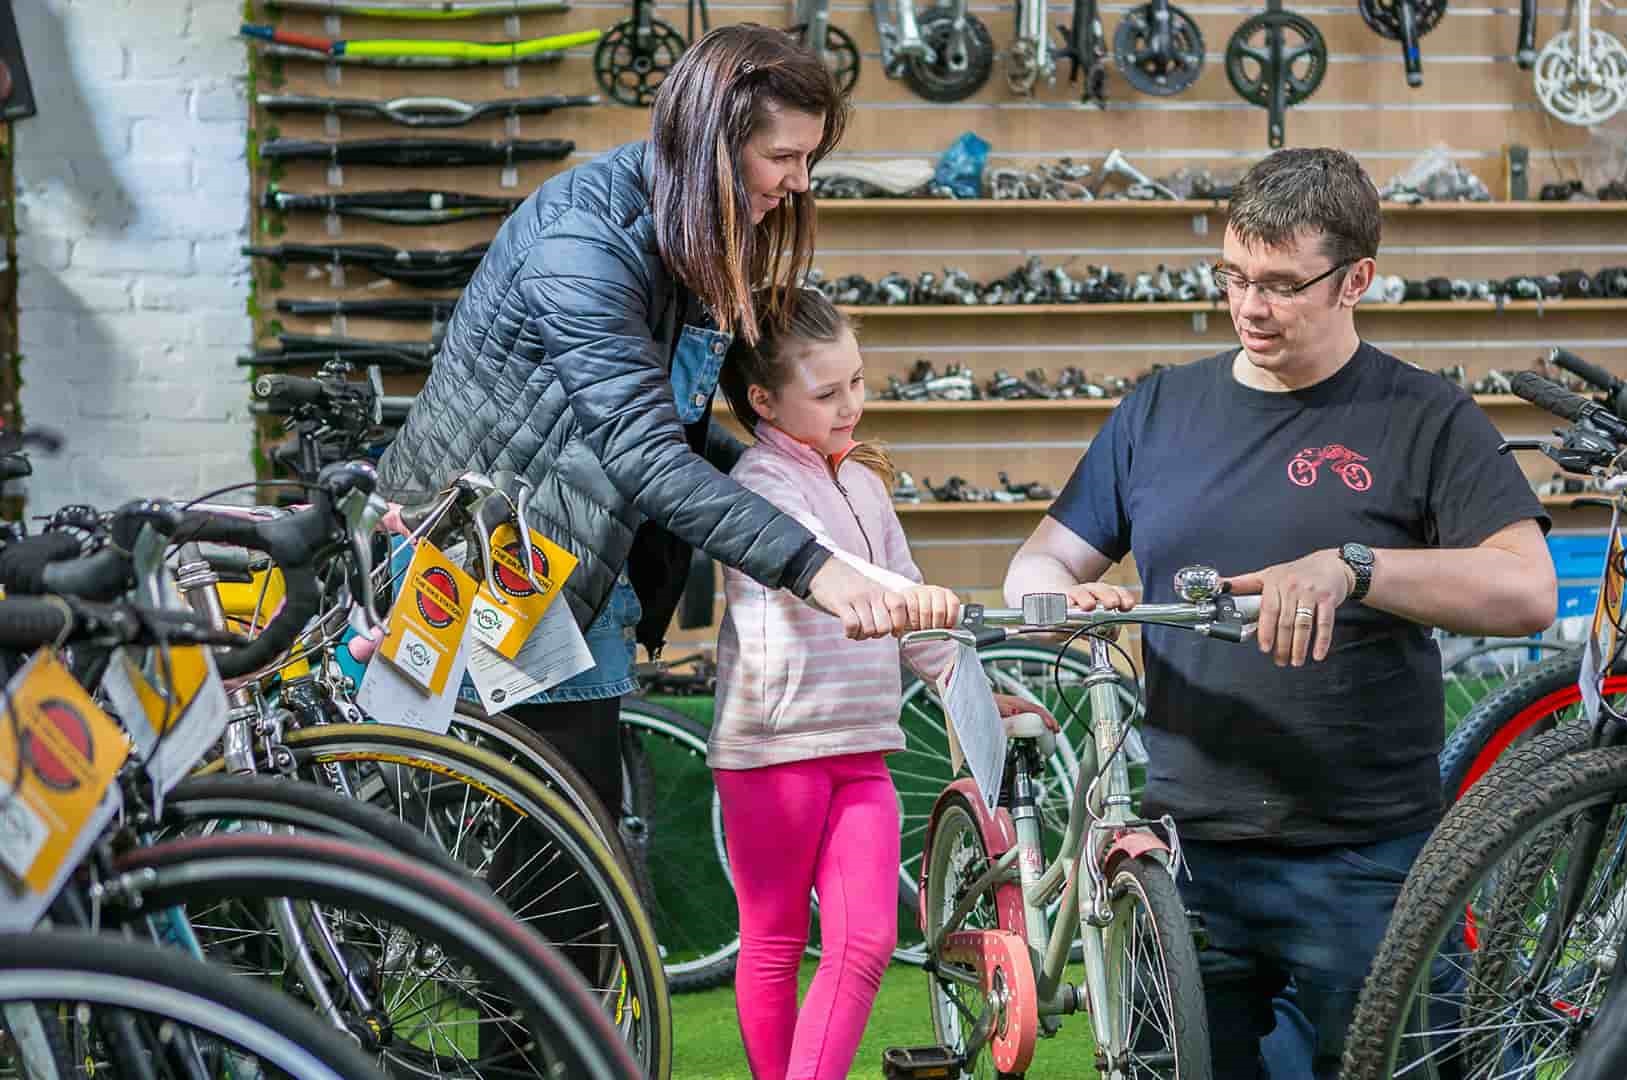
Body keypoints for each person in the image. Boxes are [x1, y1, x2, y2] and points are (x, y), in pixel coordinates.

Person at [1000, 147, 1558, 1079]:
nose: (1251, 307)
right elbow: (1044, 556)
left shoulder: (1423, 415)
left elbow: (1527, 587)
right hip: (1187, 859)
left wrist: (1358, 568)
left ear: (1357, 281)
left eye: (1281, 285)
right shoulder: (1161, 410)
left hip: (1368, 861)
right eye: (1233, 277)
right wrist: (1058, 602)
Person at [375, 25, 913, 833]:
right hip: (496, 571)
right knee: (553, 872)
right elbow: (643, 454)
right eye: (783, 158)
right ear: (712, 148)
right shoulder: (585, 245)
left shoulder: (686, 235)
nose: (800, 184)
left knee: (571, 860)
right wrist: (813, 566)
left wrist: (793, 478)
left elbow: (676, 426)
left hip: (566, 568)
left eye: (810, 160)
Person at [709, 288, 1052, 1080]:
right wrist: (908, 599)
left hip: (863, 748)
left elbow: (905, 591)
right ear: (763, 400)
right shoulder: (759, 481)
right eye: (826, 393)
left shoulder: (863, 481)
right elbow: (823, 560)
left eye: (857, 382)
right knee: (774, 940)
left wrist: (970, 686)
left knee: (863, 941)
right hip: (773, 752)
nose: (850, 405)